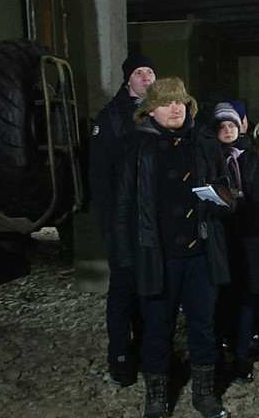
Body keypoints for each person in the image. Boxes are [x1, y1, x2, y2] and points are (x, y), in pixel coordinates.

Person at [112, 78, 233, 418]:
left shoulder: (205, 142)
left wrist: (223, 200)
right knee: (156, 328)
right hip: (157, 256)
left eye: (179, 102)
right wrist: (125, 260)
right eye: (166, 103)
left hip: (200, 255)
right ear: (150, 110)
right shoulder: (135, 146)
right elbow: (122, 205)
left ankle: (204, 394)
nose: (175, 108)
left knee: (203, 326)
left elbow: (227, 188)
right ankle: (156, 398)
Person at [89, 54, 156, 387]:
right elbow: (99, 175)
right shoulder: (111, 117)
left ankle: (146, 350)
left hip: (151, 219)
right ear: (128, 79)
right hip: (121, 219)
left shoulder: (161, 113)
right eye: (139, 72)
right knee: (123, 290)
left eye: (150, 72)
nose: (146, 77)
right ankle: (119, 355)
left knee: (151, 288)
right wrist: (110, 222)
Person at [211, 102, 259, 383]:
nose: (228, 131)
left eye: (232, 126)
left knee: (247, 299)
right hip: (221, 241)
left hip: (248, 240)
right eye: (222, 126)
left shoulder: (251, 158)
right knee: (221, 300)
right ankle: (220, 354)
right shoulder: (209, 157)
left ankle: (241, 355)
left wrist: (239, 202)